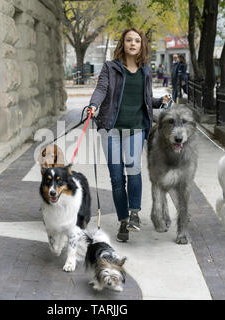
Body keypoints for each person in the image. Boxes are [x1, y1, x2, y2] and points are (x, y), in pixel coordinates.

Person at [87, 28, 164, 242]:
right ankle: (122, 221)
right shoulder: (110, 68)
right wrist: (93, 105)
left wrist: (160, 102)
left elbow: (146, 98)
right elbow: (102, 89)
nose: (133, 43)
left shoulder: (146, 71)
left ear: (141, 45)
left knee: (134, 168)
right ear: (123, 43)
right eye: (129, 40)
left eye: (137, 40)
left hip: (136, 128)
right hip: (111, 128)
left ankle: (134, 214)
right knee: (116, 177)